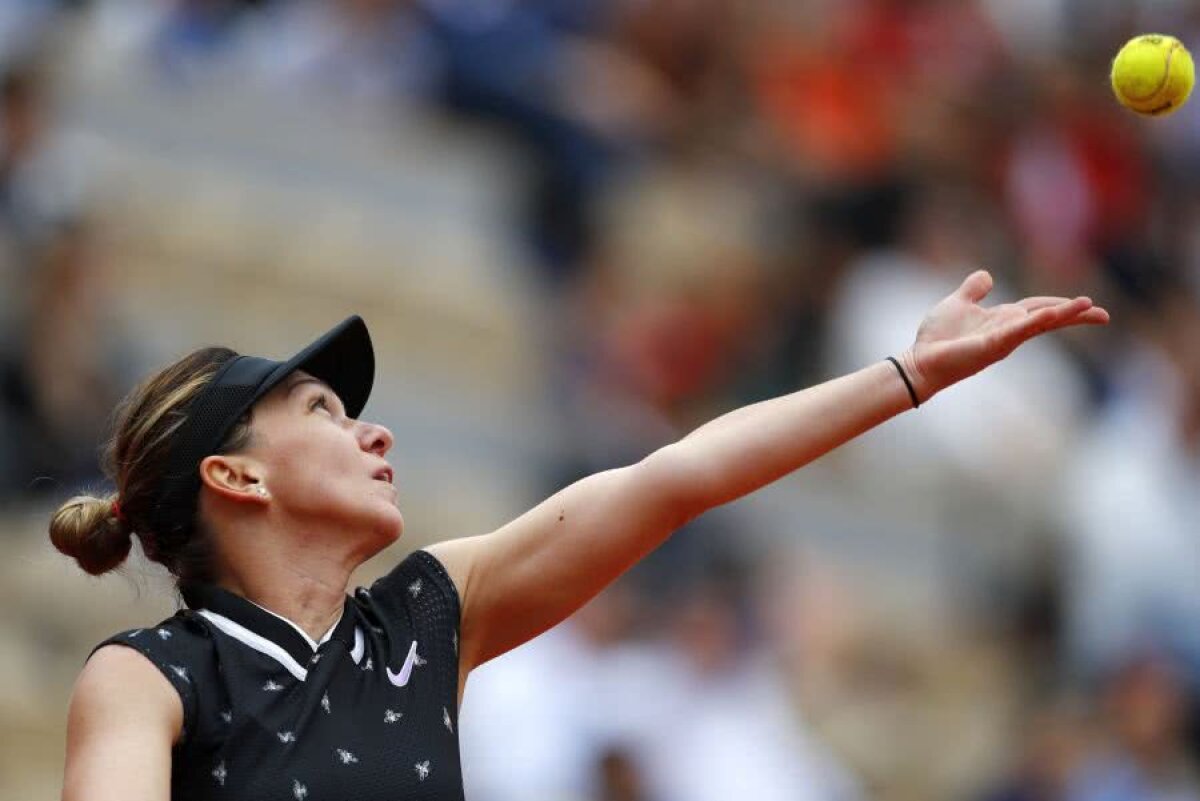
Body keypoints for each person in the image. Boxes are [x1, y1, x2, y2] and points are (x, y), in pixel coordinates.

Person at [53, 270, 1107, 800]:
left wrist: (909, 375)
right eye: (323, 412)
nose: (373, 431)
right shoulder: (150, 676)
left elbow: (675, 477)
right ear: (234, 474)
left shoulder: (426, 617)